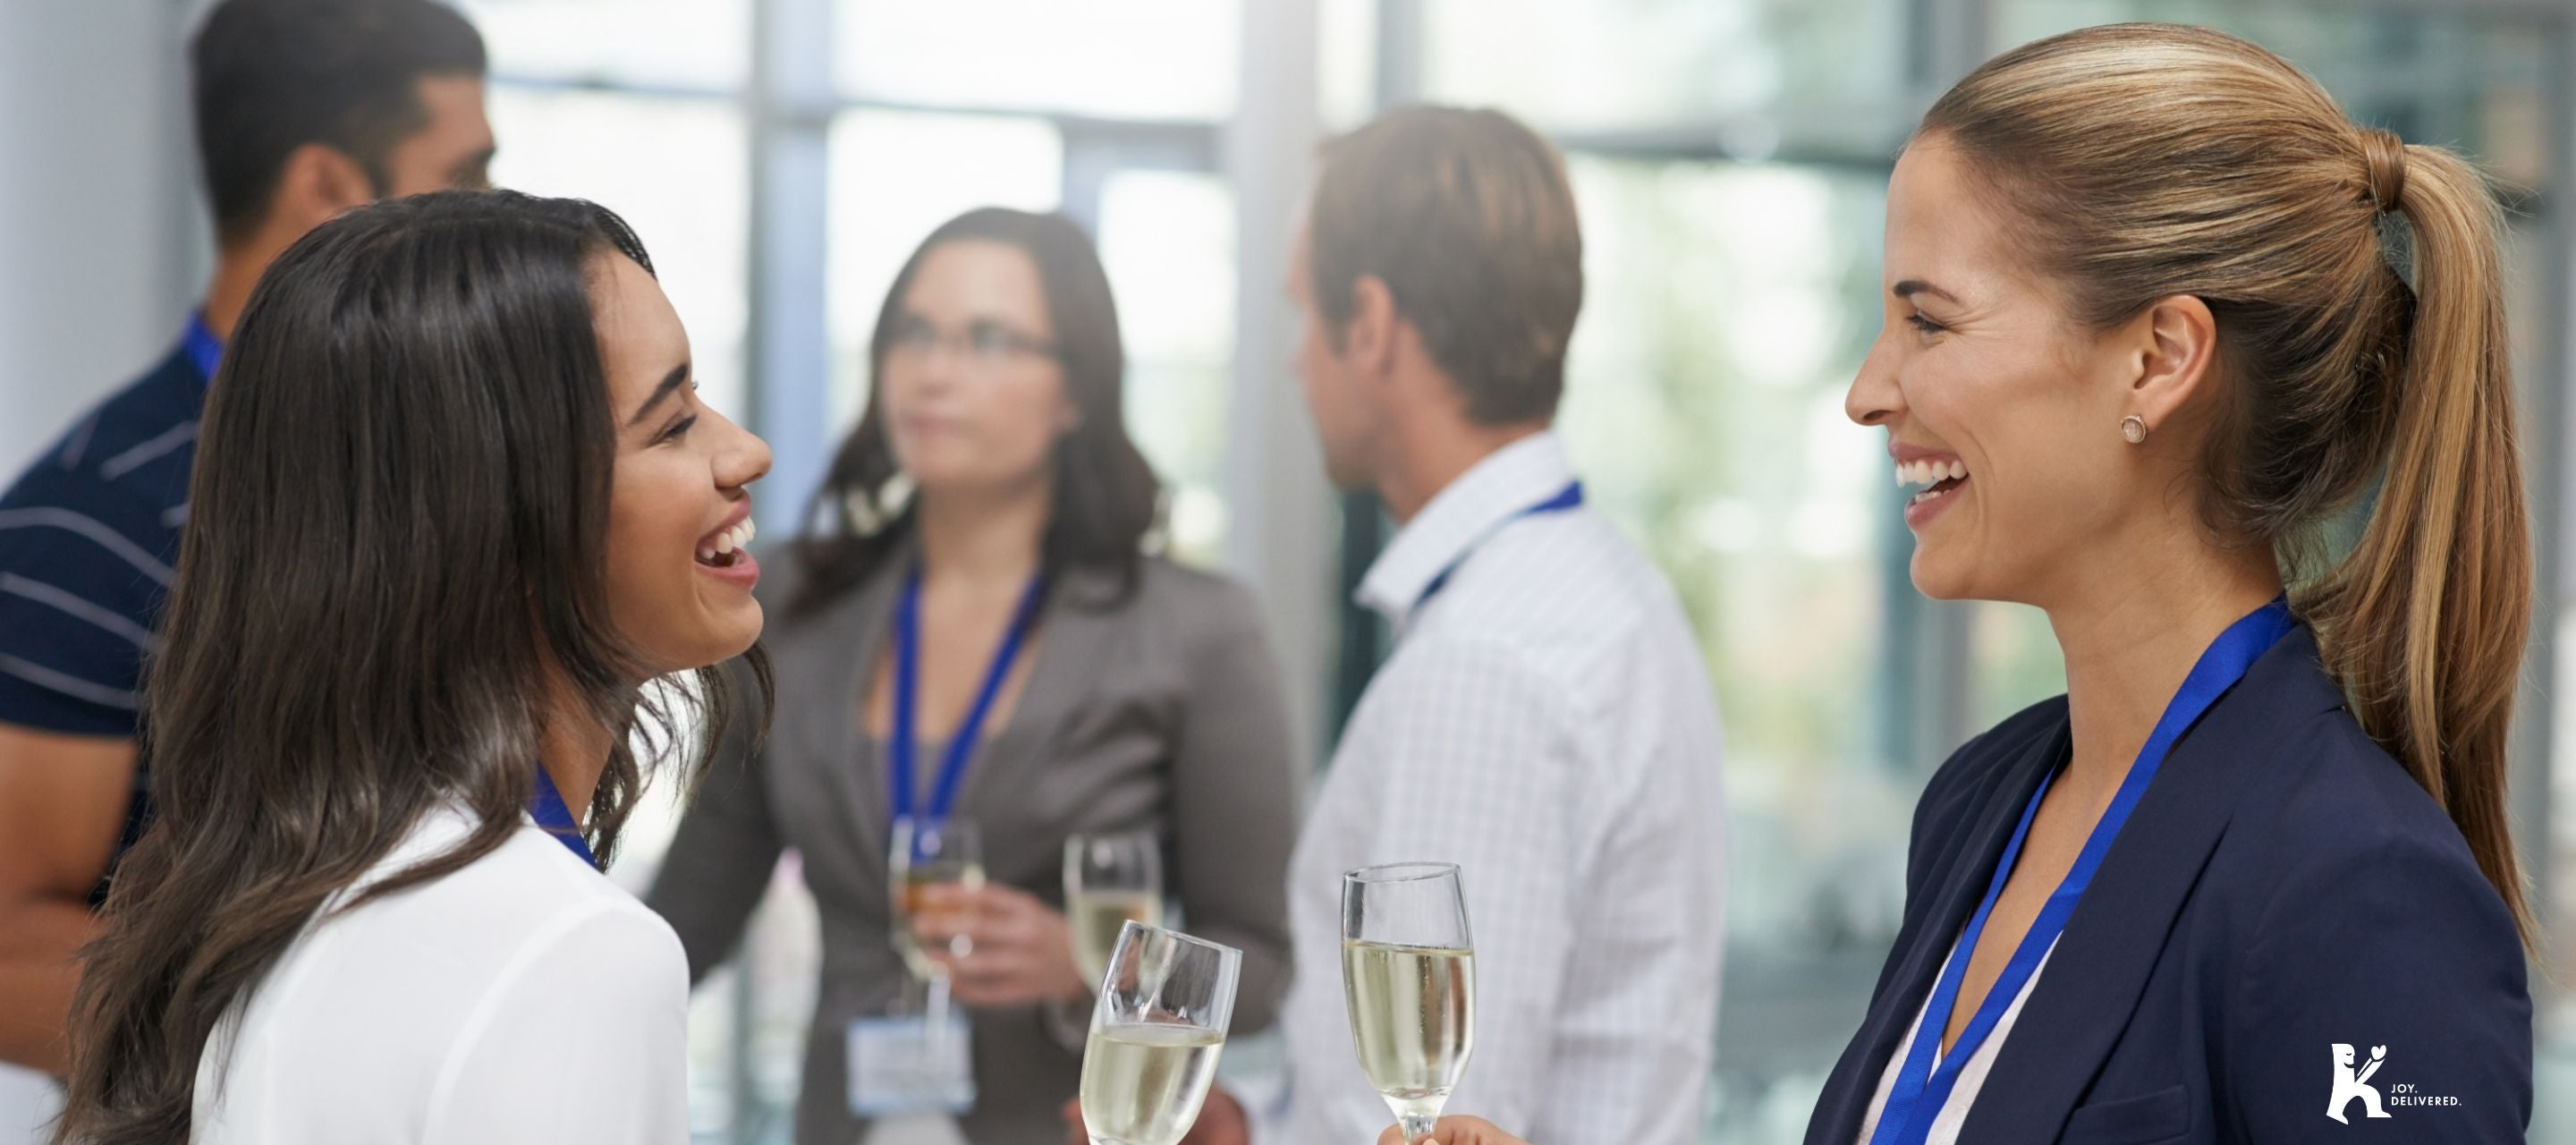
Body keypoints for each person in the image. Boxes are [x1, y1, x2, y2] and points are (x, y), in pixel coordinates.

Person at [1420, 22, 2537, 1145]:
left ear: (2158, 359)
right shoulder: (1983, 799)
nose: (1867, 391)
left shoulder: (2362, 891)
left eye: (1926, 319)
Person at [50, 190, 772, 1143]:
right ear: (503, 526)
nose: (746, 451)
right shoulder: (570, 948)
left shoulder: (271, 898)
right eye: (672, 421)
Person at [648, 207, 1301, 1145]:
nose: (933, 371)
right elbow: (691, 915)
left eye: (987, 339)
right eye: (914, 332)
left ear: (1075, 390)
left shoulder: (1195, 628)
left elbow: (1267, 965)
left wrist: (1093, 966)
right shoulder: (791, 601)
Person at [1174, 106, 1730, 1145]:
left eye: (1305, 315)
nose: (1298, 363)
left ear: (1371, 325)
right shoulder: (1597, 588)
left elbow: (1436, 1118)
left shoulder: (1485, 660)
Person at [0, 0, 493, 1090]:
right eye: (465, 178)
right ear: (326, 186)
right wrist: (314, 1057)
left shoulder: (448, 475)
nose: (491, 221)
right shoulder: (93, 521)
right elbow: (5, 943)